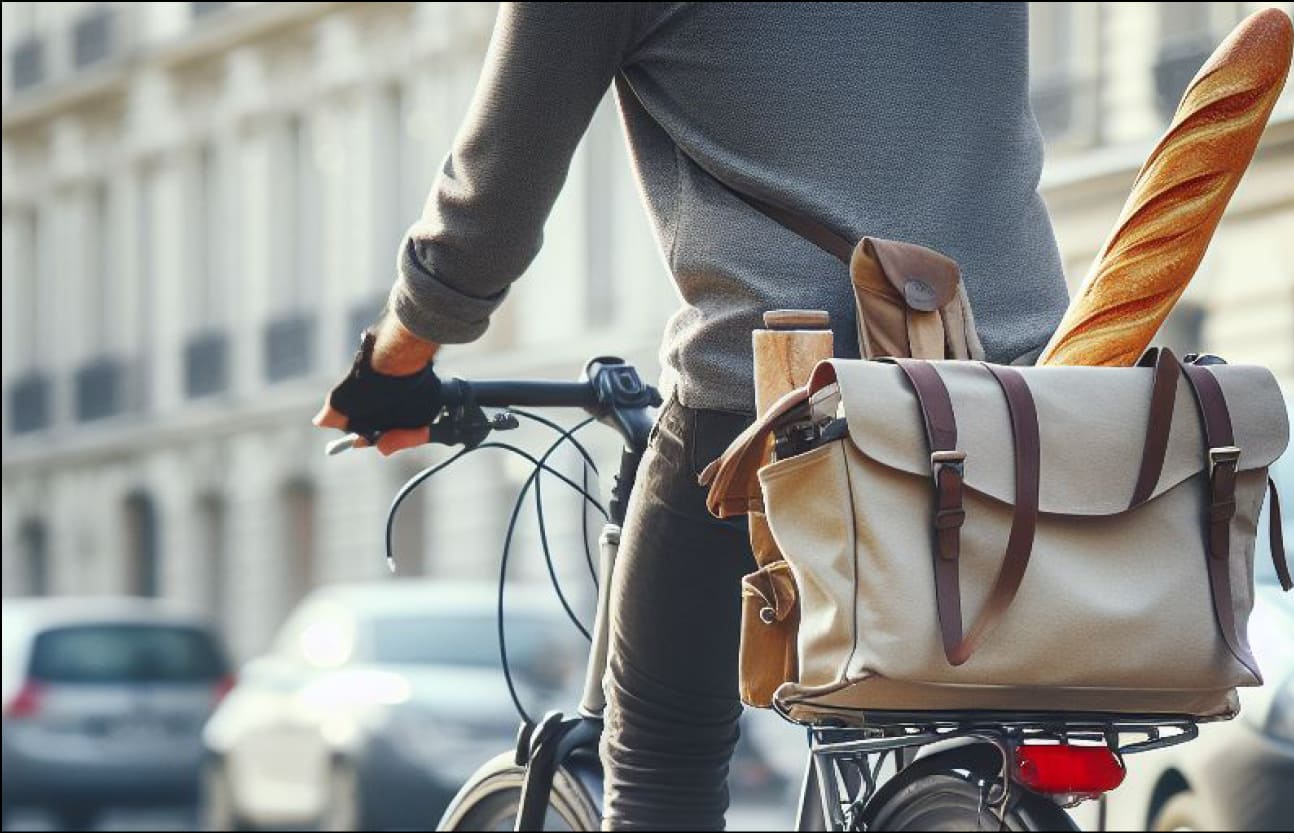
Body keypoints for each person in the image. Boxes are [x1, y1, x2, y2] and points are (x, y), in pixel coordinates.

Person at [313, 4, 1068, 828]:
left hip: (781, 391)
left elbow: (490, 202)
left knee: (662, 743)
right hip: (1016, 387)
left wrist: (397, 360)